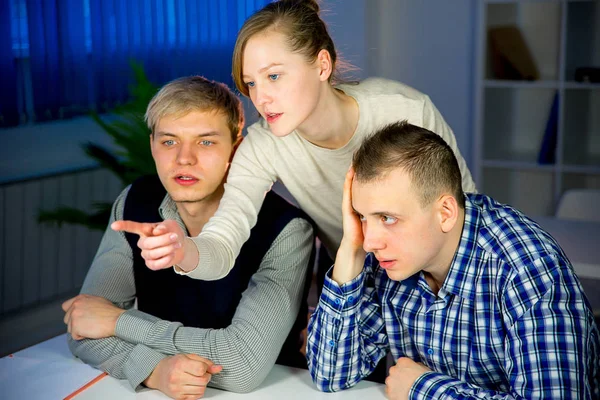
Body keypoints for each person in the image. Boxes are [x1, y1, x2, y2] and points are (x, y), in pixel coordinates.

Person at [122, 0, 476, 285]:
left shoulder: (406, 110)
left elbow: (467, 212)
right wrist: (184, 249)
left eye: (274, 76)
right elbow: (223, 240)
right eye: (252, 83)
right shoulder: (263, 146)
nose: (262, 98)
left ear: (322, 65)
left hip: (437, 277)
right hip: (354, 279)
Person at [306, 120, 600, 399]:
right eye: (362, 217)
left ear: (445, 213)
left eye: (387, 218)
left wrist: (423, 389)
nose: (371, 241)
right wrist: (349, 252)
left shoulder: (528, 268)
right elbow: (331, 375)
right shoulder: (388, 255)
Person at [61, 76, 315, 399]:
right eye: (169, 141)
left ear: (236, 150)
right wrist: (155, 371)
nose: (184, 158)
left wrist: (119, 322)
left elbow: (242, 365)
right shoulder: (135, 202)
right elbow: (82, 324)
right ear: (152, 145)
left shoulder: (286, 229)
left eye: (206, 142)